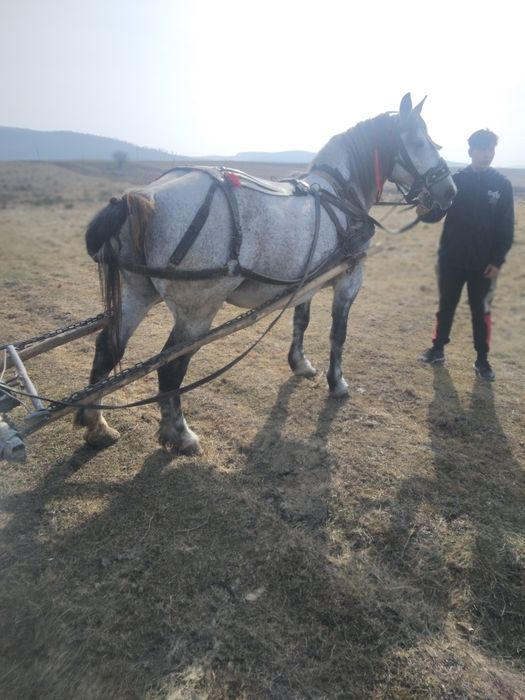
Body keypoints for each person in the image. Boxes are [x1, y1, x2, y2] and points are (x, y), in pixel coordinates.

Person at [417, 129, 514, 381]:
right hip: (451, 259)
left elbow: (506, 228)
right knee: (446, 306)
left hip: (484, 264)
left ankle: (482, 360)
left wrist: (497, 261)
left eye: (490, 149)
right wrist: (424, 213)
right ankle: (437, 350)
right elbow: (437, 213)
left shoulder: (502, 185)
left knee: (481, 312)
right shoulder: (456, 181)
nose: (487, 154)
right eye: (482, 149)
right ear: (471, 152)